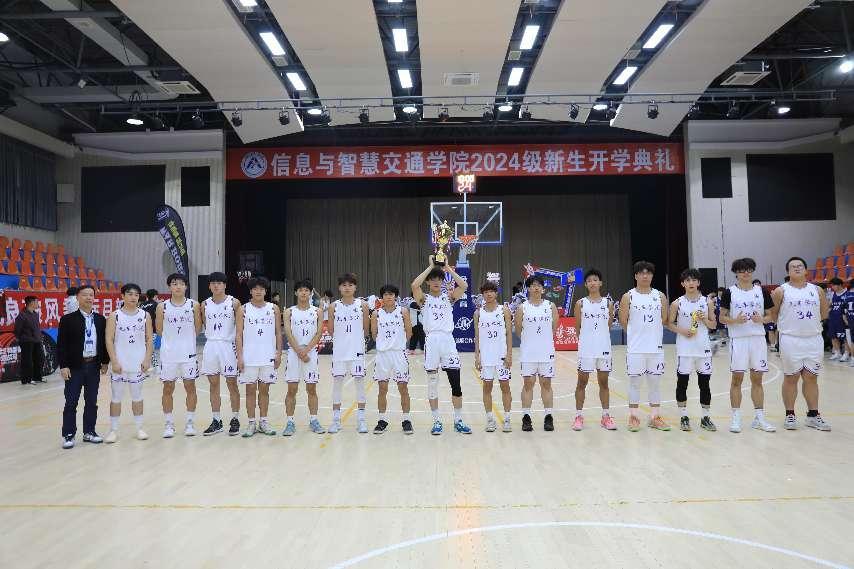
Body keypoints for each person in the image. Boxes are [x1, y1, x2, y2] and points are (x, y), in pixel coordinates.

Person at [411, 257, 472, 435]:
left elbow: (464, 286)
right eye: (433, 279)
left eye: (439, 279)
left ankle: (458, 420)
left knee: (456, 383)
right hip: (432, 341)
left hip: (448, 341)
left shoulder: (448, 298)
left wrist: (447, 268)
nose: (436, 282)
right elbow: (414, 285)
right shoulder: (424, 299)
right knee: (432, 383)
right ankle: (437, 421)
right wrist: (430, 266)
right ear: (428, 282)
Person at [770, 257, 831, 431]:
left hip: (813, 338)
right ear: (788, 272)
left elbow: (824, 313)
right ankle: (790, 414)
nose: (797, 268)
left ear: (806, 270)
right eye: (793, 267)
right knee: (791, 377)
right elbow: (773, 315)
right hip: (791, 338)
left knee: (811, 377)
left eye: (800, 266)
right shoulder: (781, 291)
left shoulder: (817, 290)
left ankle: (813, 415)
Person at [718, 258, 776, 433]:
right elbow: (722, 318)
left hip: (758, 339)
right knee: (737, 379)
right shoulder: (729, 292)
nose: (745, 272)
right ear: (736, 273)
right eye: (742, 270)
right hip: (739, 340)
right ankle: (736, 418)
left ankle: (759, 418)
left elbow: (771, 316)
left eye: (749, 269)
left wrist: (762, 319)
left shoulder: (762, 291)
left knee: (757, 380)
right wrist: (735, 320)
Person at [619, 261, 670, 432]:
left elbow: (664, 319)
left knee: (655, 384)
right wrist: (635, 335)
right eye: (641, 273)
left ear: (652, 276)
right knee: (635, 384)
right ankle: (633, 416)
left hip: (656, 349)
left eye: (648, 273)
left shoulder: (660, 296)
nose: (645, 275)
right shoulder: (628, 297)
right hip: (636, 350)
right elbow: (623, 321)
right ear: (636, 276)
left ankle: (654, 417)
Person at [58, 285, 109, 449]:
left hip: (93, 365)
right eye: (85, 295)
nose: (88, 298)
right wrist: (63, 365)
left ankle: (89, 432)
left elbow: (104, 342)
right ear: (78, 298)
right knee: (71, 402)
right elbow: (62, 345)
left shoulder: (100, 319)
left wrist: (105, 362)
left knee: (92, 401)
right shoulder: (67, 320)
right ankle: (68, 434)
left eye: (91, 295)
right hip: (74, 367)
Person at [668, 268, 717, 432]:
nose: (691, 283)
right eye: (687, 280)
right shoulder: (677, 303)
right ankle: (683, 416)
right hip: (685, 349)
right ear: (683, 284)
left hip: (703, 349)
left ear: (698, 283)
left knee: (705, 384)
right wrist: (682, 331)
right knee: (682, 383)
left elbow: (713, 325)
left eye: (694, 280)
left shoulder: (707, 302)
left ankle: (705, 417)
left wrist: (705, 319)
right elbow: (669, 323)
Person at [104, 283, 153, 443]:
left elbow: (149, 339)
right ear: (123, 296)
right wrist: (114, 361)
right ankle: (113, 430)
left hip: (138, 362)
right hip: (120, 363)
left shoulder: (145, 315)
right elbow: (109, 340)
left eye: (136, 295)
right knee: (116, 397)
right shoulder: (115, 316)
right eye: (130, 294)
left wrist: (147, 359)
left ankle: (139, 428)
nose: (133, 297)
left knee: (137, 396)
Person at [156, 273, 201, 438]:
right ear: (170, 286)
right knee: (168, 388)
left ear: (186, 286)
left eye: (181, 283)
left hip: (188, 354)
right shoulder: (162, 307)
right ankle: (169, 424)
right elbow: (159, 330)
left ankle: (190, 423)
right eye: (174, 283)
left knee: (190, 387)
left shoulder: (193, 305)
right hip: (168, 355)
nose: (178, 286)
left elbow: (198, 328)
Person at [236, 276, 282, 437]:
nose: (258, 291)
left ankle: (263, 422)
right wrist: (239, 356)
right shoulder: (243, 309)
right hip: (249, 357)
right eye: (255, 289)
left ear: (265, 291)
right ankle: (251, 423)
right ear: (250, 291)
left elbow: (278, 332)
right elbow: (239, 335)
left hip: (268, 356)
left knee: (264, 391)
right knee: (249, 391)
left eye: (261, 289)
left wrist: (278, 353)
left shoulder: (273, 308)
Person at [573, 269, 617, 431]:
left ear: (600, 283)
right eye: (589, 280)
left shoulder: (608, 304)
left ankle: (606, 416)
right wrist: (587, 341)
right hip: (586, 349)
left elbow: (608, 326)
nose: (592, 283)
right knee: (582, 382)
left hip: (603, 348)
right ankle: (578, 416)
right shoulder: (580, 304)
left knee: (604, 383)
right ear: (586, 284)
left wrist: (600, 339)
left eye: (595, 280)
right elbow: (578, 328)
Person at [199, 272, 242, 436]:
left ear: (225, 285)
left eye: (219, 282)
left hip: (228, 346)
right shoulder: (204, 304)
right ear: (209, 286)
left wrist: (240, 352)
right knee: (213, 384)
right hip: (211, 345)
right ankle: (216, 420)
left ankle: (235, 418)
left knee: (232, 384)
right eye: (213, 283)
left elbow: (239, 329)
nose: (216, 285)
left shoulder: (234, 303)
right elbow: (204, 324)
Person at [282, 279, 326, 436]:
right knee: (291, 389)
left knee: (311, 389)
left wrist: (306, 350)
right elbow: (288, 333)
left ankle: (314, 420)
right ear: (296, 292)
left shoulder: (317, 311)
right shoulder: (289, 312)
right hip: (294, 353)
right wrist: (299, 351)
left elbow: (319, 333)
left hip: (310, 353)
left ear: (310, 293)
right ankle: (290, 422)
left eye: (306, 290)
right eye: (300, 290)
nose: (303, 293)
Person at [327, 273, 370, 434]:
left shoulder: (362, 305)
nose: (347, 288)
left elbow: (366, 329)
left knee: (360, 384)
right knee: (337, 384)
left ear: (355, 287)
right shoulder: (333, 306)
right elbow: (331, 330)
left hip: (357, 351)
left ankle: (361, 420)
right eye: (344, 285)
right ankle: (336, 420)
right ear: (339, 287)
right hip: (339, 352)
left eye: (350, 285)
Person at [517, 275, 559, 432]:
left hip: (546, 352)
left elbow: (554, 327)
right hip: (528, 353)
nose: (536, 288)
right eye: (533, 285)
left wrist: (543, 341)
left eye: (538, 285)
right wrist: (530, 342)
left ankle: (548, 416)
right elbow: (518, 330)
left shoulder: (550, 306)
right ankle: (526, 417)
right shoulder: (522, 308)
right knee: (528, 383)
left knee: (546, 383)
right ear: (528, 288)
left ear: (543, 289)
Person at [371, 284, 414, 434]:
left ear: (395, 296)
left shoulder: (403, 311)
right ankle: (382, 420)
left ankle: (406, 420)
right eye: (385, 294)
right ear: (381, 297)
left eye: (391, 294)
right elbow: (374, 334)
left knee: (403, 388)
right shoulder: (376, 314)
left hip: (398, 354)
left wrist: (398, 344)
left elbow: (409, 332)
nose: (388, 296)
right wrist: (385, 344)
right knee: (382, 389)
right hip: (383, 355)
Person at [474, 281, 513, 433]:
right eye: (486, 292)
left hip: (501, 356)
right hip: (486, 357)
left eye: (491, 291)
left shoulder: (504, 310)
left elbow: (509, 334)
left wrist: (509, 354)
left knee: (505, 387)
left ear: (496, 293)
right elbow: (477, 336)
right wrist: (477, 356)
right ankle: (490, 419)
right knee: (487, 387)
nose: (489, 294)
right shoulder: (478, 313)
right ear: (482, 295)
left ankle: (507, 419)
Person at [14, 296, 43, 385]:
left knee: (39, 359)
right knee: (27, 361)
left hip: (37, 340)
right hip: (27, 341)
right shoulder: (22, 315)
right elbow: (17, 329)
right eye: (36, 302)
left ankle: (37, 377)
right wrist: (22, 338)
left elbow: (37, 327)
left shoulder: (35, 314)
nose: (38, 304)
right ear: (31, 303)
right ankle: (27, 379)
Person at [827, 277, 849, 362]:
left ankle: (846, 353)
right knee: (833, 336)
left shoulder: (847, 293)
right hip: (833, 318)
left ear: (839, 285)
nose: (832, 287)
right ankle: (837, 352)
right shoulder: (833, 294)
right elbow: (830, 305)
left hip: (843, 319)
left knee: (844, 337)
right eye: (831, 286)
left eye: (833, 285)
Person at [141, 289, 160, 368]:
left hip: (142, 330)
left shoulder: (142, 305)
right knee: (151, 348)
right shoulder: (156, 305)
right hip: (153, 330)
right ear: (155, 296)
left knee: (146, 348)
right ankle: (155, 365)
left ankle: (147, 364)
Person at [844, 279, 854, 368]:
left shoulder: (846, 295)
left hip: (850, 320)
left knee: (852, 340)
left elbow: (844, 311)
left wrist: (846, 320)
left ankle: (853, 359)